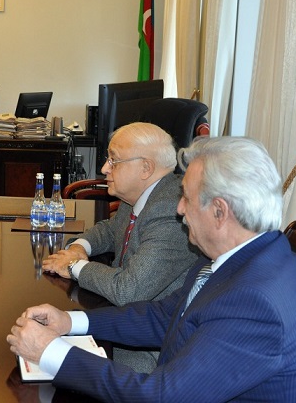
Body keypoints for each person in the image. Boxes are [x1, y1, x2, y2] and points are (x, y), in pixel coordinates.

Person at [7, 136, 296, 402]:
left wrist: (50, 352)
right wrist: (70, 322)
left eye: (187, 199)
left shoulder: (256, 304)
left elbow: (160, 397)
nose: (179, 210)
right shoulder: (241, 259)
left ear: (219, 212)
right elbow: (165, 317)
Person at [43, 122, 198, 307]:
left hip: (154, 325)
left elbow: (128, 291)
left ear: (146, 168)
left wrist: (74, 265)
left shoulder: (172, 213)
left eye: (113, 161)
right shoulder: (139, 195)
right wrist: (79, 247)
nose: (104, 169)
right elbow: (111, 230)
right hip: (124, 312)